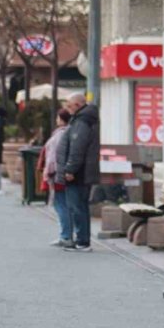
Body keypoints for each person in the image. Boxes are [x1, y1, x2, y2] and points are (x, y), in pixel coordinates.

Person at [57, 93, 100, 253]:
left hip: (79, 171)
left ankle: (82, 241)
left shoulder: (82, 121)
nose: (67, 109)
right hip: (83, 170)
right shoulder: (85, 118)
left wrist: (70, 169)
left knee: (77, 207)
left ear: (78, 105)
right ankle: (82, 240)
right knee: (80, 206)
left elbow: (77, 147)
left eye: (69, 105)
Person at [42, 109, 73, 248]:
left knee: (61, 205)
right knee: (64, 205)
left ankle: (65, 236)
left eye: (57, 118)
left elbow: (53, 156)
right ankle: (67, 235)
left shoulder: (60, 134)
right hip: (63, 172)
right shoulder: (69, 132)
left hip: (58, 174)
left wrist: (49, 171)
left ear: (61, 119)